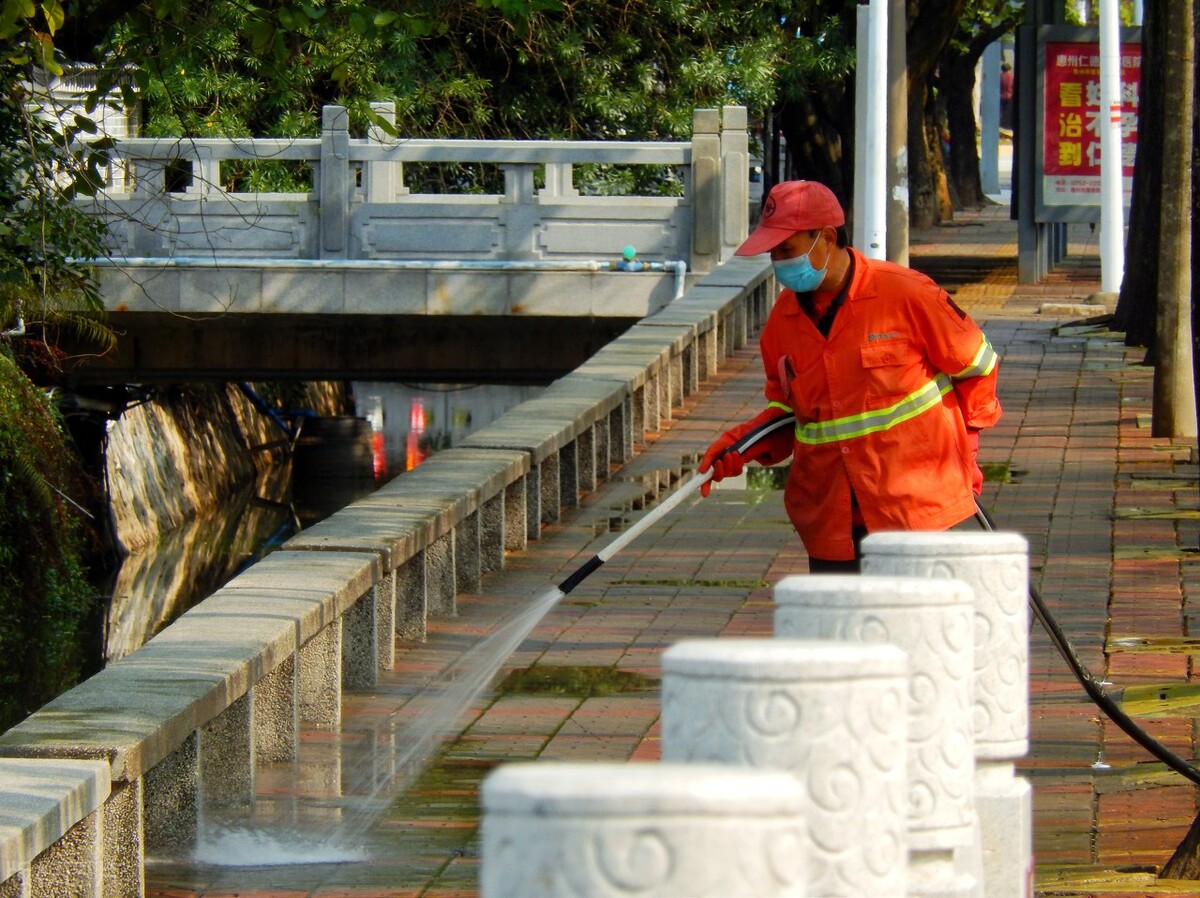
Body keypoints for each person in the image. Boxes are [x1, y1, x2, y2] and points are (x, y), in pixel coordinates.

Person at [699, 180, 1001, 572]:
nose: (778, 262)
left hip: (915, 512)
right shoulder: (781, 324)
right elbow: (788, 413)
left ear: (826, 237)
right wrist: (740, 446)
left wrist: (966, 454)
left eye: (786, 250)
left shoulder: (905, 294)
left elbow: (979, 366)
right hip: (832, 521)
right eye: (773, 253)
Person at [999, 62, 1014, 132]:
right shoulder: (1012, 76)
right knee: (1009, 111)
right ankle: (1007, 125)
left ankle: (1002, 124)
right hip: (1010, 96)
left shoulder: (1000, 76)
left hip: (1002, 96)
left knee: (1002, 110)